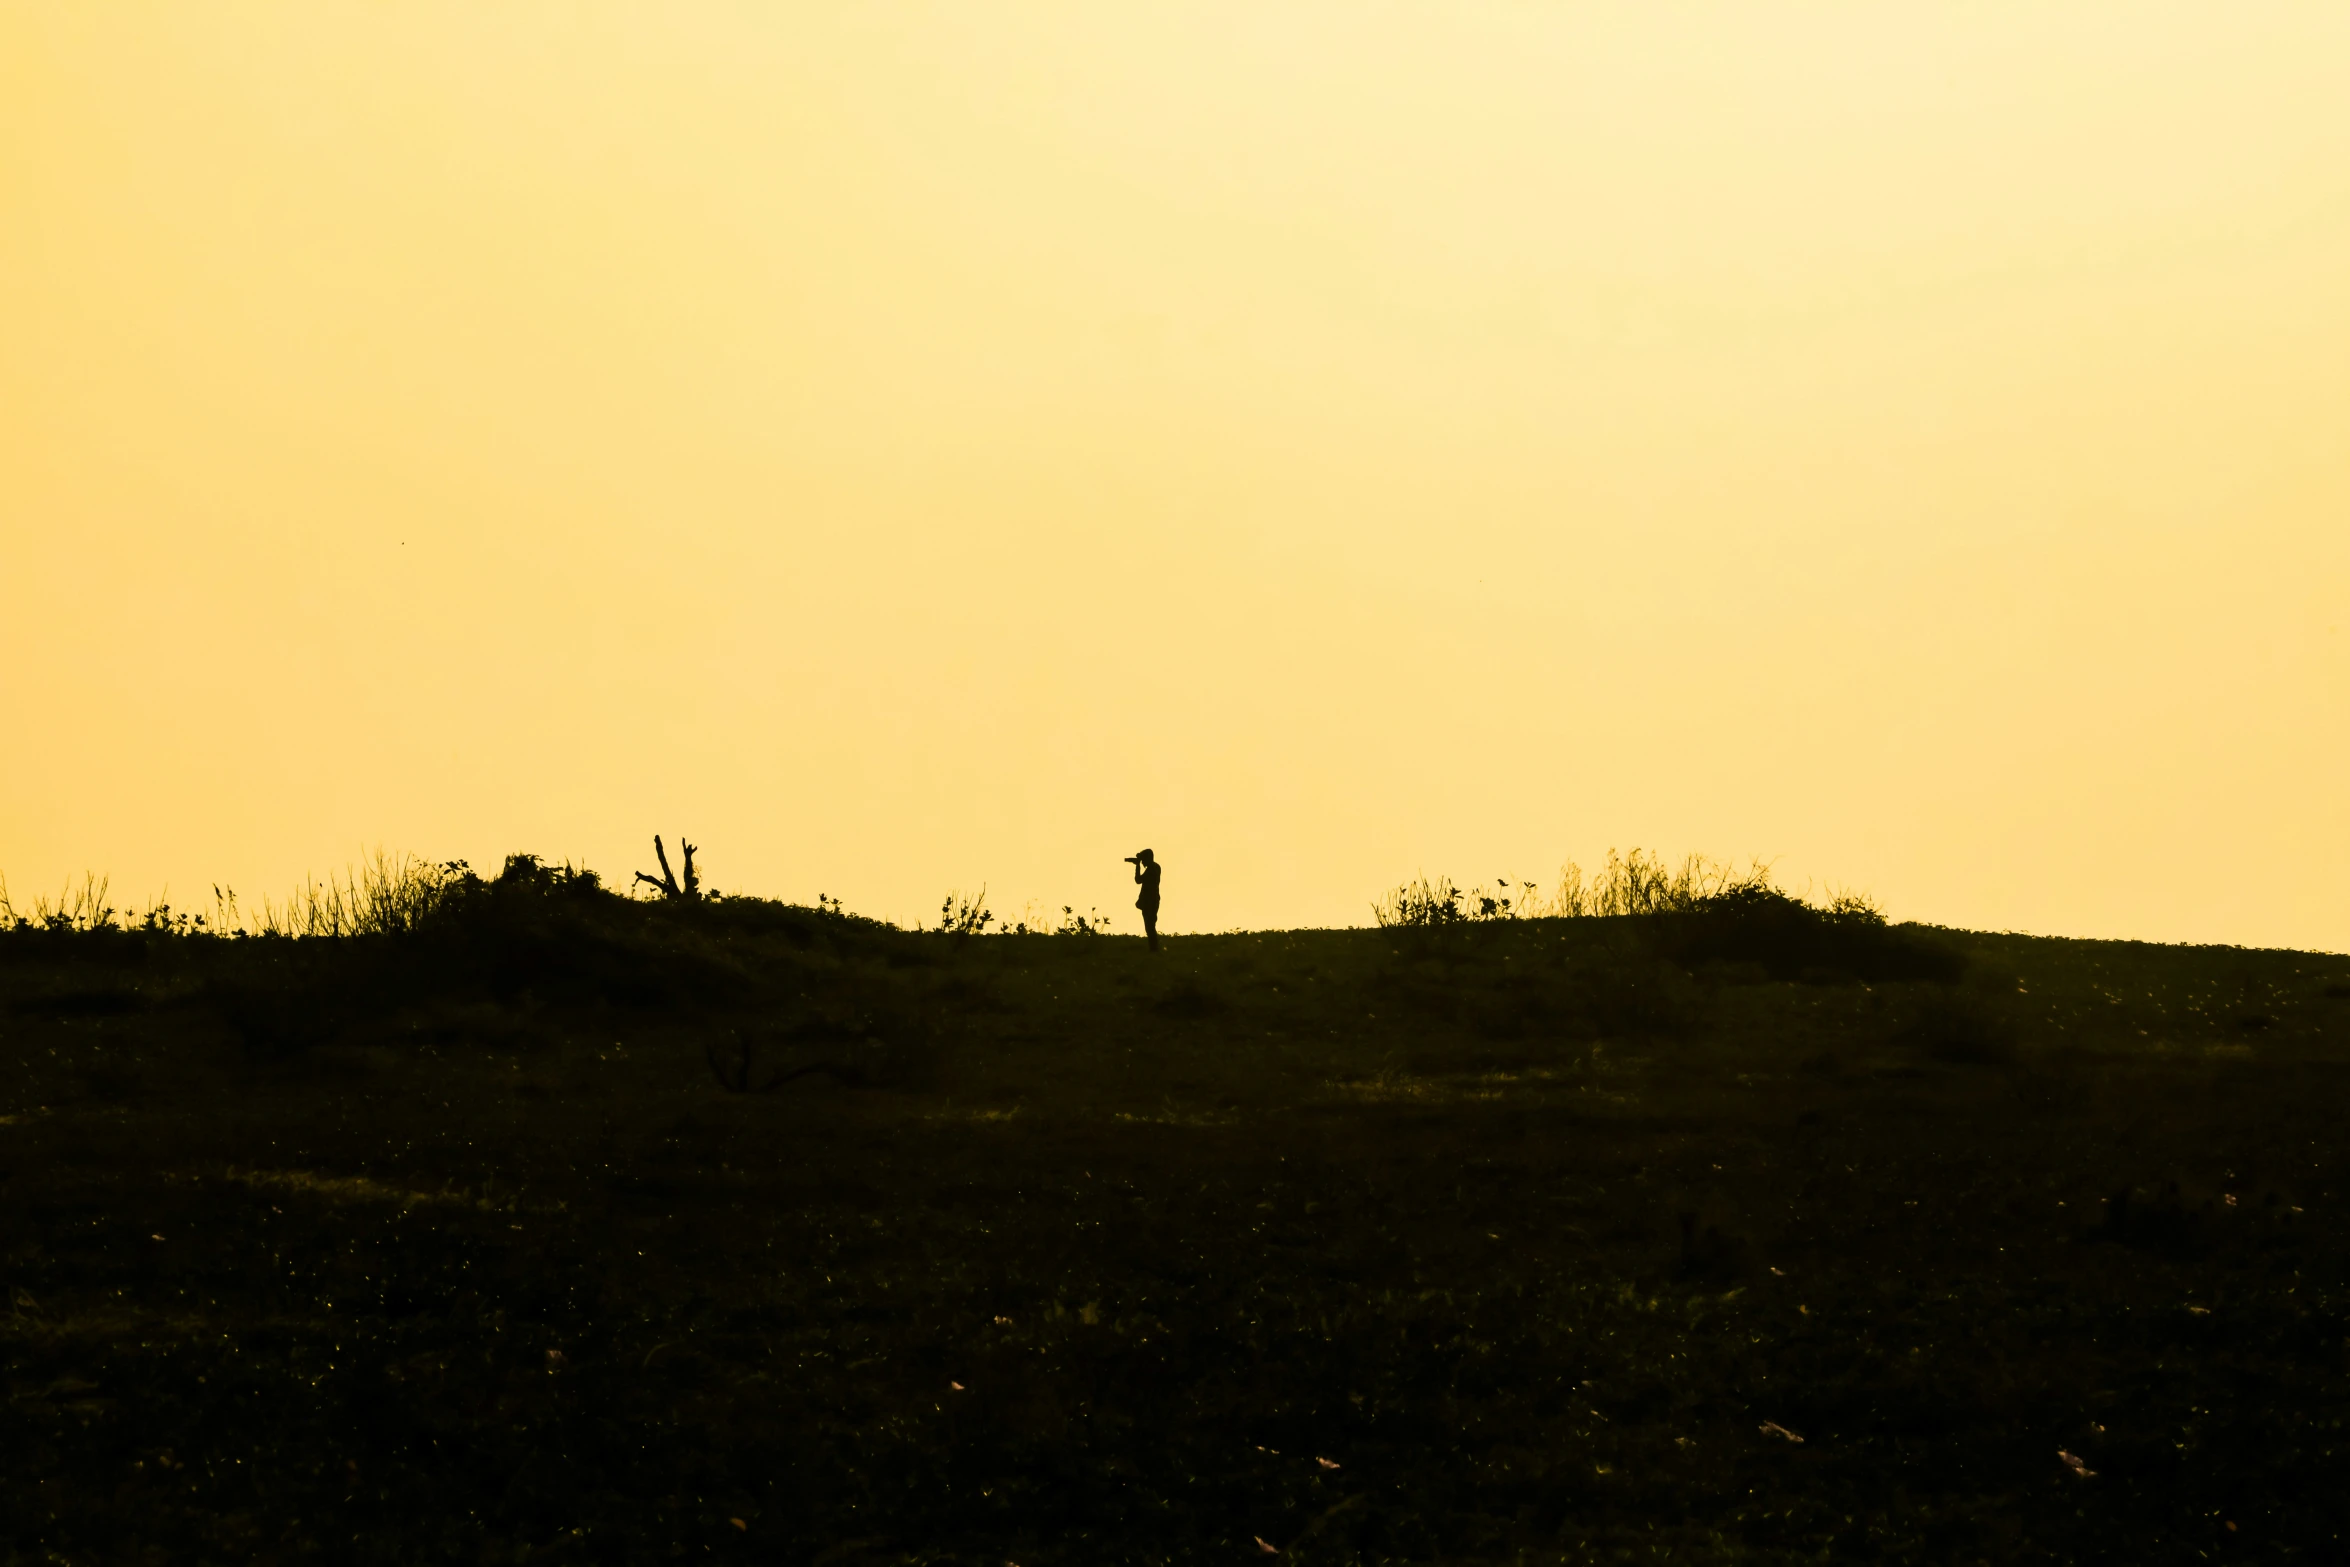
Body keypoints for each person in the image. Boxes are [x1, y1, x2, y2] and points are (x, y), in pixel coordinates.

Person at [1127, 849, 1162, 952]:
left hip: (1149, 901)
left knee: (1150, 926)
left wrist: (1137, 866)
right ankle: (1154, 949)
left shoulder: (1151, 869)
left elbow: (1138, 880)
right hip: (1153, 900)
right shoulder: (1156, 867)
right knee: (1151, 925)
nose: (1142, 862)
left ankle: (1154, 950)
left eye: (1143, 860)